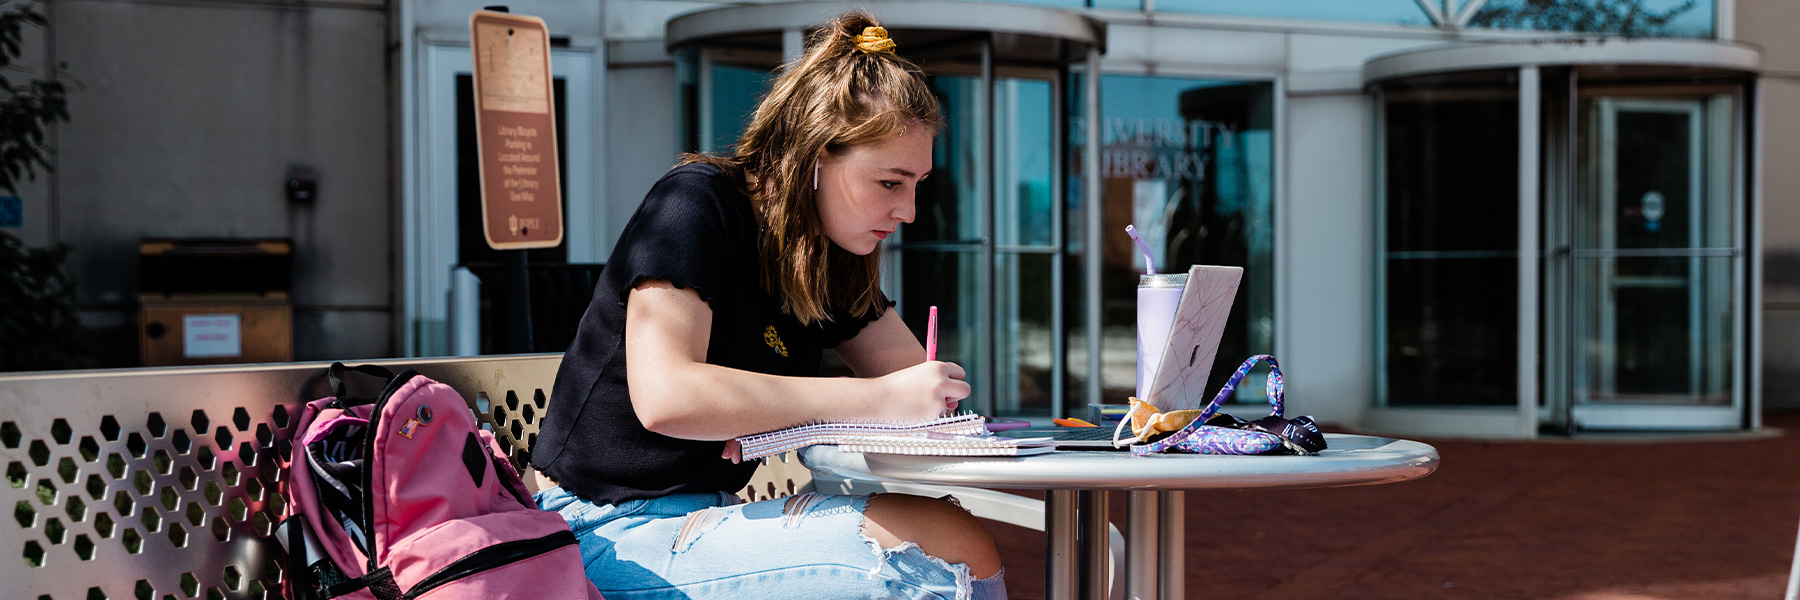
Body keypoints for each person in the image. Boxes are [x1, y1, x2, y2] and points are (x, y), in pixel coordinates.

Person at [529, 11, 1007, 600]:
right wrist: (871, 400)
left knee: (950, 534)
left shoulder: (826, 253)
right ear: (814, 157)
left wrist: (911, 396)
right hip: (604, 529)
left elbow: (918, 391)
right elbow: (668, 397)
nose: (908, 211)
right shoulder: (694, 205)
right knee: (940, 543)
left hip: (711, 517)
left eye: (917, 186)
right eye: (890, 183)